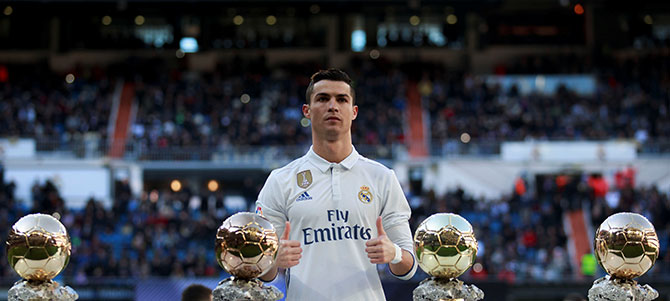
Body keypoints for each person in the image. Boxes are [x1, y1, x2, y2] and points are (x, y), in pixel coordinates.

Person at [256, 68, 417, 300]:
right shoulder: (281, 180)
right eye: (323, 98)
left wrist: (394, 254)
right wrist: (273, 259)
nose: (333, 106)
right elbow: (262, 271)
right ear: (307, 111)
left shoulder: (382, 177)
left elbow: (408, 268)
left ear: (353, 112)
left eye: (341, 99)